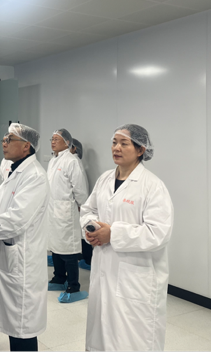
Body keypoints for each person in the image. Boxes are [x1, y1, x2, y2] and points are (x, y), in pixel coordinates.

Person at [80, 124, 174, 351]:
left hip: (135, 278)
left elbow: (158, 233)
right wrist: (91, 227)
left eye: (124, 143)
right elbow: (88, 209)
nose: (117, 148)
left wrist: (113, 233)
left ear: (141, 150)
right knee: (101, 333)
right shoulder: (104, 179)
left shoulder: (152, 186)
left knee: (130, 339)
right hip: (104, 269)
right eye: (114, 143)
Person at [0, 123, 49, 352]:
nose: (4, 143)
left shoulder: (35, 176)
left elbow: (18, 219)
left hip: (22, 259)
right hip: (5, 252)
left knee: (21, 325)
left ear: (26, 146)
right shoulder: (13, 170)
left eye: (9, 139)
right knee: (7, 316)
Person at [47, 129, 89, 303]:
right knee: (55, 246)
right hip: (53, 210)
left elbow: (80, 188)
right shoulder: (53, 160)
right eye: (52, 139)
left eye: (56, 139)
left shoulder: (72, 161)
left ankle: (73, 285)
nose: (53, 141)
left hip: (67, 211)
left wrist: (83, 206)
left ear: (67, 142)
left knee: (69, 250)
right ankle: (59, 277)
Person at [70, 138, 93, 271]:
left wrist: (81, 205)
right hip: (67, 206)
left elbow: (80, 189)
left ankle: (87, 259)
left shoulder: (74, 163)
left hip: (76, 205)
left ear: (75, 149)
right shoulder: (62, 161)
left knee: (82, 231)